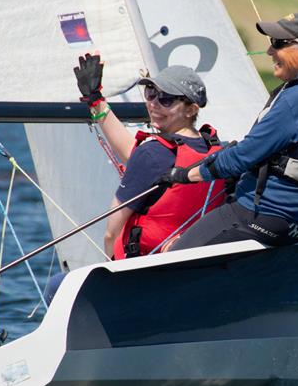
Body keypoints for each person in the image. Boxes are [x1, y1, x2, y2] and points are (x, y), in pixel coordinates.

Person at [165, 13, 298, 251]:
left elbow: (238, 160)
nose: (270, 52)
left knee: (174, 253)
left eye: (279, 44)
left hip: (261, 215)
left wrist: (181, 176)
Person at [74, 56, 226, 259]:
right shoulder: (215, 149)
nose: (154, 104)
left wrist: (110, 269)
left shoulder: (152, 154)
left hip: (144, 266)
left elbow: (111, 233)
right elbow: (137, 155)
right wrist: (96, 101)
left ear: (191, 109)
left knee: (56, 285)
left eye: (166, 99)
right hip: (197, 261)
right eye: (151, 93)